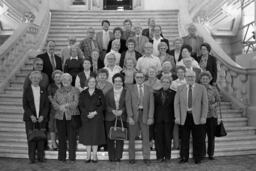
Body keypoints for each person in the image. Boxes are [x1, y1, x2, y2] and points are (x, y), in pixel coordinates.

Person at [174, 70, 208, 164]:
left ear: (195, 78)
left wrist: (203, 117)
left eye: (192, 77)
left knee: (198, 139)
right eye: (188, 76)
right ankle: (184, 157)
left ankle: (197, 157)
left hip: (197, 118)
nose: (190, 78)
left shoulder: (201, 88)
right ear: (185, 77)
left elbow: (205, 104)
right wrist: (177, 117)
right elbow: (176, 104)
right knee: (184, 139)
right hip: (184, 117)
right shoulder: (180, 88)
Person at [126, 71, 154, 165]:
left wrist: (150, 117)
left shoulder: (149, 89)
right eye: (137, 77)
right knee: (132, 138)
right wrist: (129, 116)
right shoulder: (130, 88)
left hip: (145, 115)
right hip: (134, 116)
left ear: (144, 78)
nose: (139, 79)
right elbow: (128, 103)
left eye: (141, 77)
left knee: (146, 138)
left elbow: (151, 104)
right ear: (135, 78)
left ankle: (146, 157)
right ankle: (131, 157)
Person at [52, 73, 80, 163]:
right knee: (61, 137)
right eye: (64, 80)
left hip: (72, 116)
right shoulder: (58, 91)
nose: (65, 81)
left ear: (71, 80)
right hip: (60, 117)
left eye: (67, 80)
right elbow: (54, 102)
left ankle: (72, 157)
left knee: (72, 137)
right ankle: (61, 157)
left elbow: (76, 103)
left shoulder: (75, 90)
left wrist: (66, 105)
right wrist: (59, 107)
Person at [23, 71, 49, 163]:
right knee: (31, 138)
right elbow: (25, 105)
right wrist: (31, 115)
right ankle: (32, 158)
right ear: (31, 79)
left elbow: (46, 105)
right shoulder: (27, 90)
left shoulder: (43, 89)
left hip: (41, 118)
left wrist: (43, 115)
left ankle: (41, 157)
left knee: (41, 138)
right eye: (34, 78)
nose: (35, 80)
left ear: (40, 79)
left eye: (37, 78)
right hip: (30, 119)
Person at [79, 76, 106, 163]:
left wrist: (95, 113)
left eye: (94, 82)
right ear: (87, 83)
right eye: (90, 82)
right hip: (86, 118)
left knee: (95, 136)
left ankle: (94, 155)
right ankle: (88, 155)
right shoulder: (83, 93)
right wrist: (87, 113)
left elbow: (103, 105)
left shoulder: (99, 92)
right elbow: (81, 105)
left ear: (96, 83)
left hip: (97, 117)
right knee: (87, 136)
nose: (92, 83)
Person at [105, 73, 127, 162]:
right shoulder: (108, 92)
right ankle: (111, 156)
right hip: (110, 117)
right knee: (110, 138)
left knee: (120, 137)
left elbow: (128, 104)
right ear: (113, 82)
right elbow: (105, 105)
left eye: (120, 81)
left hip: (122, 116)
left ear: (122, 82)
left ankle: (118, 156)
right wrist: (112, 110)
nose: (118, 83)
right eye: (116, 81)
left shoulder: (126, 92)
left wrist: (122, 110)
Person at [154, 75, 176, 162]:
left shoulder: (174, 93)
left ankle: (167, 156)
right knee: (158, 138)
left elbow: (175, 107)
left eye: (167, 82)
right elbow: (154, 107)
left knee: (168, 138)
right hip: (158, 119)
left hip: (169, 119)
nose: (165, 83)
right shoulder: (156, 93)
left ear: (170, 83)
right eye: (164, 82)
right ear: (161, 83)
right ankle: (159, 156)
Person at [199, 71, 220, 160]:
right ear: (200, 80)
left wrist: (214, 105)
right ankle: (202, 153)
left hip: (212, 116)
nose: (205, 80)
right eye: (203, 79)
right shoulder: (198, 89)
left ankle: (211, 154)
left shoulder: (214, 89)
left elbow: (218, 101)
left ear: (209, 79)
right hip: (201, 116)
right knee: (202, 136)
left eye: (206, 79)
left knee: (211, 136)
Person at [170, 66, 187, 150]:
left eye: (182, 72)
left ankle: (184, 145)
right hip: (176, 106)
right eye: (178, 72)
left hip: (185, 107)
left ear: (184, 73)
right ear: (176, 74)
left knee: (185, 127)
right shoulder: (173, 83)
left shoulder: (187, 82)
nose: (180, 74)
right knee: (175, 126)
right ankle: (176, 145)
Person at [47, 70, 63, 151]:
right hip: (54, 109)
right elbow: (49, 97)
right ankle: (53, 143)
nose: (58, 78)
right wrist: (56, 105)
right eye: (56, 77)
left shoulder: (65, 85)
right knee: (52, 126)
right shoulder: (51, 86)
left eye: (59, 76)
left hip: (63, 109)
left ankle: (61, 142)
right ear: (53, 78)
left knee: (61, 126)